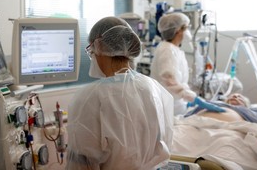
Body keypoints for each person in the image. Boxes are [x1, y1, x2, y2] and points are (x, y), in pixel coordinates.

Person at [66, 16, 175, 170]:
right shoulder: (153, 87)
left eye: (91, 51)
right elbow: (164, 142)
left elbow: (81, 164)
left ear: (98, 46)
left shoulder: (89, 97)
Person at [150, 12, 225, 115]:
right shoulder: (167, 50)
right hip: (169, 108)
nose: (188, 31)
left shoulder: (173, 49)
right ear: (177, 31)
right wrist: (193, 98)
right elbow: (169, 82)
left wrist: (186, 99)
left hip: (176, 105)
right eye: (185, 28)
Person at [184, 93, 257, 147]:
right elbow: (185, 116)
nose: (235, 96)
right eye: (233, 95)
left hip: (228, 134)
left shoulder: (252, 112)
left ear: (246, 105)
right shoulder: (211, 103)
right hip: (193, 127)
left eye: (240, 97)